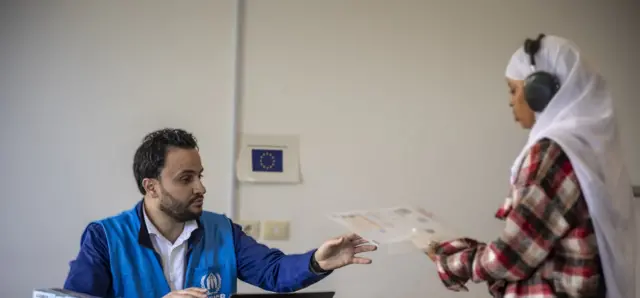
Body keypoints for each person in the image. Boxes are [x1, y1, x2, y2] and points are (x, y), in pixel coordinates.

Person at [424, 34, 636, 297]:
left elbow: (512, 253)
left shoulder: (551, 154)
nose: (511, 101)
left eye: (513, 90)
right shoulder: (584, 146)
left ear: (538, 91)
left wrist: (448, 260)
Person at [63, 128, 377, 298]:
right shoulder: (105, 237)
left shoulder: (222, 230)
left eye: (200, 175)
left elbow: (274, 271)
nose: (200, 187)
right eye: (186, 179)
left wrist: (316, 262)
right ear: (152, 187)